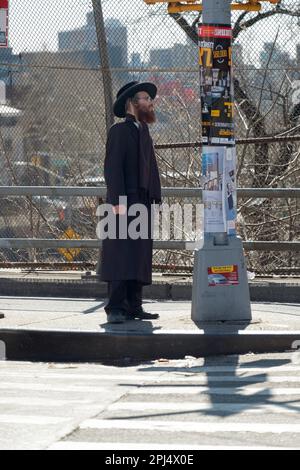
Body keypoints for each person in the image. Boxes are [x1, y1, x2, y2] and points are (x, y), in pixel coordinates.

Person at [101, 81, 162, 324]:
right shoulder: (118, 131)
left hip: (143, 202)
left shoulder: (143, 131)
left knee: (139, 255)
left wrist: (155, 197)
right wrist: (117, 202)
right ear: (131, 103)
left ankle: (134, 305)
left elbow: (152, 168)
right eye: (145, 98)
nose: (149, 102)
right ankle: (115, 307)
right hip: (123, 201)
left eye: (149, 98)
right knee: (120, 254)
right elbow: (112, 169)